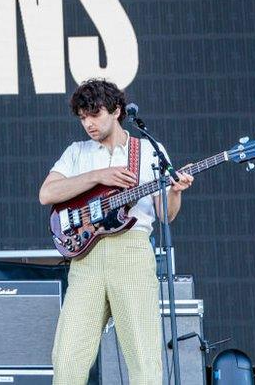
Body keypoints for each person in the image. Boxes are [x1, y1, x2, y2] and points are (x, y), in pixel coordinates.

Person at [38, 79, 194, 385]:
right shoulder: (77, 152)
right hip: (87, 261)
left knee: (144, 361)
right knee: (67, 359)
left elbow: (166, 216)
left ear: (117, 110)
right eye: (83, 117)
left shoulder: (149, 150)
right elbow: (47, 194)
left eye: (94, 115)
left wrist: (175, 192)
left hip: (132, 252)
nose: (88, 124)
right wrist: (99, 175)